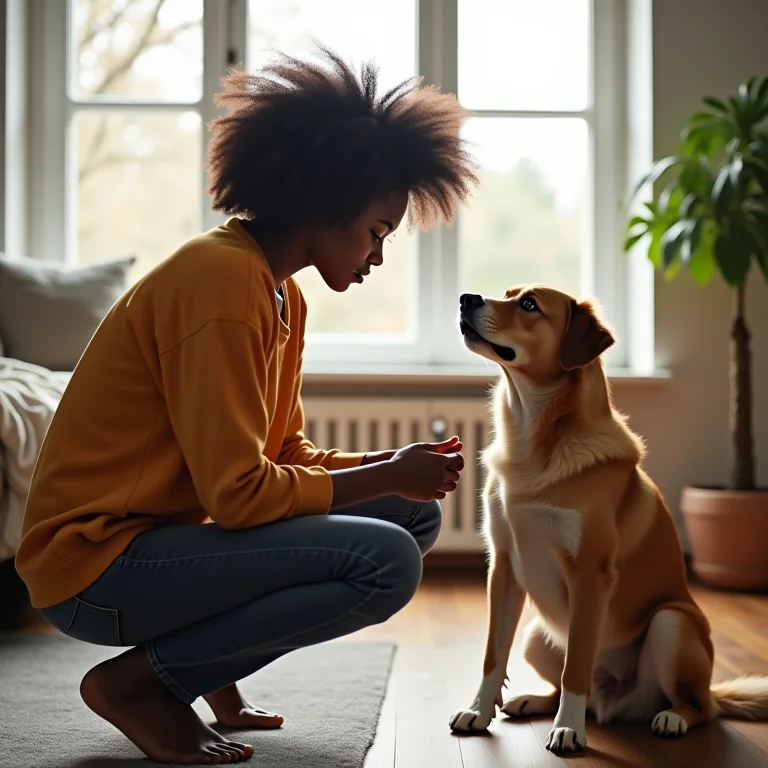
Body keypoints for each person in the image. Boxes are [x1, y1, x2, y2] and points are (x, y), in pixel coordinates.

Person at [15, 46, 478, 766]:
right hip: (93, 570)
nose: (378, 256)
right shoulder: (220, 285)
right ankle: (141, 685)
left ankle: (207, 676)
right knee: (386, 559)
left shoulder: (277, 291)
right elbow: (238, 496)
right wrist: (387, 472)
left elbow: (282, 458)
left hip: (154, 549)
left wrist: (391, 469)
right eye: (377, 232)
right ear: (325, 199)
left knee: (409, 516)